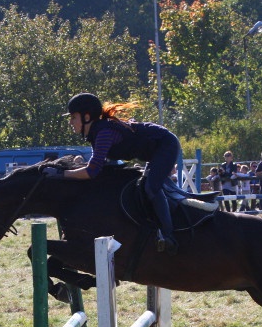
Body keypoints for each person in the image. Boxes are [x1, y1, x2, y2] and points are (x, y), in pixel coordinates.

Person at [46, 93, 180, 253]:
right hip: (153, 149)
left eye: (73, 117)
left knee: (151, 188)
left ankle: (168, 235)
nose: (70, 122)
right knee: (142, 187)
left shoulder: (103, 133)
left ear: (86, 117)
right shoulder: (96, 133)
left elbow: (91, 172)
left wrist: (61, 175)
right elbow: (96, 168)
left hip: (165, 144)